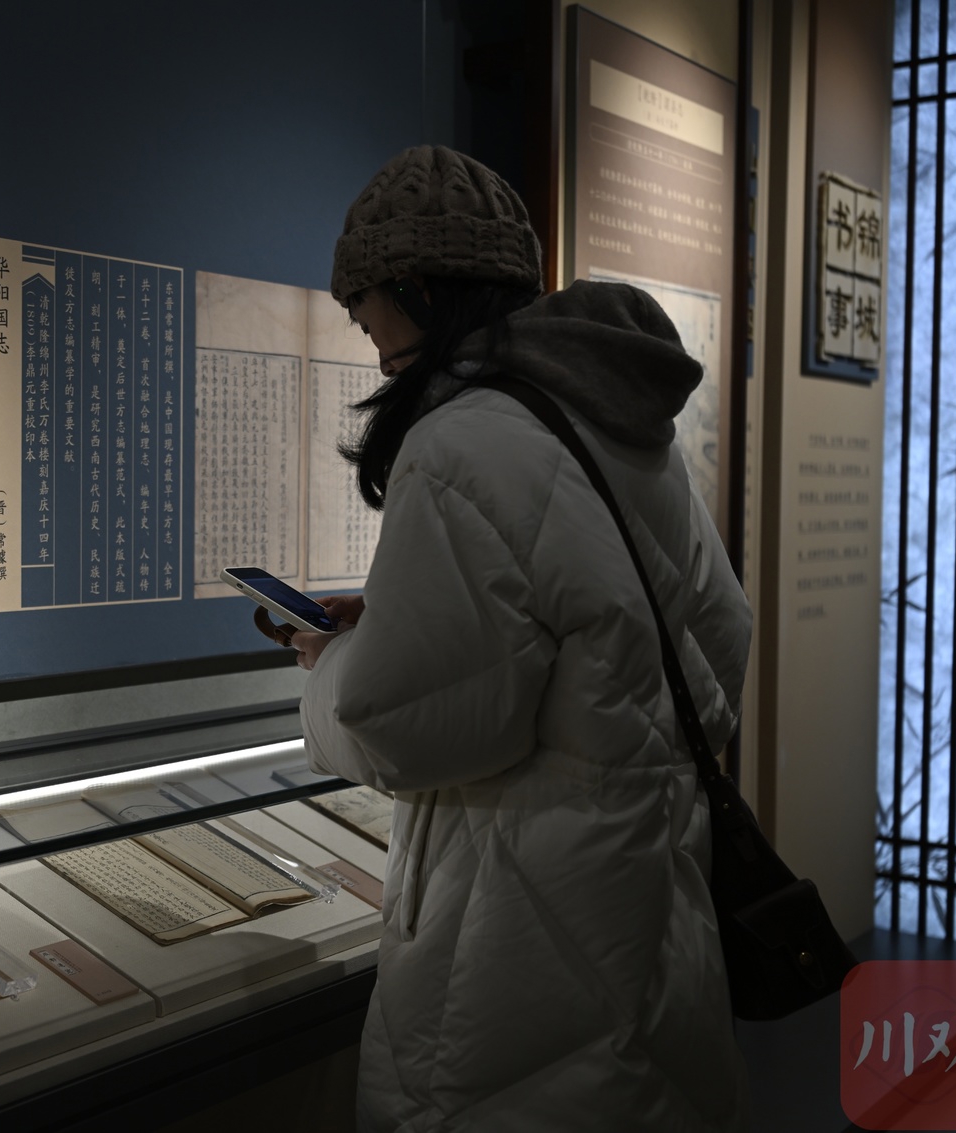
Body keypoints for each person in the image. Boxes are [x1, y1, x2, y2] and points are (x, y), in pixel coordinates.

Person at [290, 145, 750, 1131]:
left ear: (415, 288)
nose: (368, 338)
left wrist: (328, 665)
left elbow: (391, 723)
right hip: (655, 902)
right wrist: (405, 618)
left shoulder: (456, 442)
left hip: (514, 952)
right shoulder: (619, 424)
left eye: (366, 309)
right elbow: (712, 631)